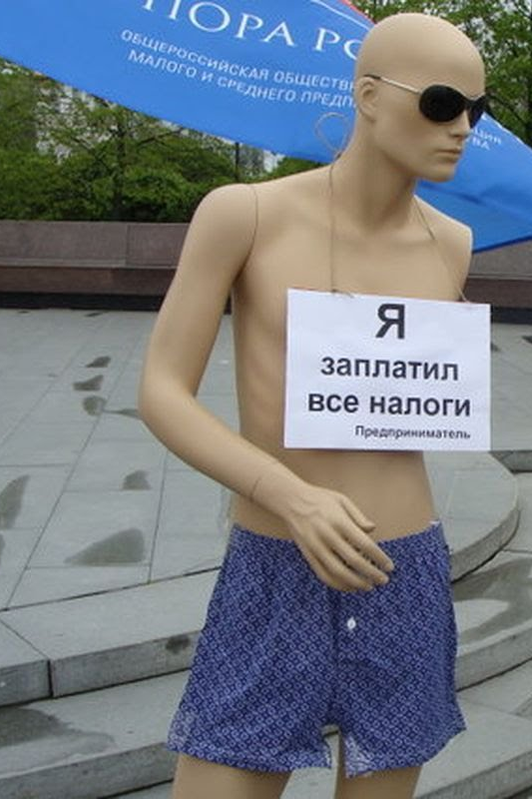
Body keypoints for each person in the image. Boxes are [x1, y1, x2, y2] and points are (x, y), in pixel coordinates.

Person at [137, 13, 484, 799]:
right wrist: (289, 494)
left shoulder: (451, 243)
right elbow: (161, 388)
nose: (462, 127)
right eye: (441, 102)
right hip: (275, 558)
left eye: (476, 109)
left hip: (402, 564)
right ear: (369, 95)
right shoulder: (247, 214)